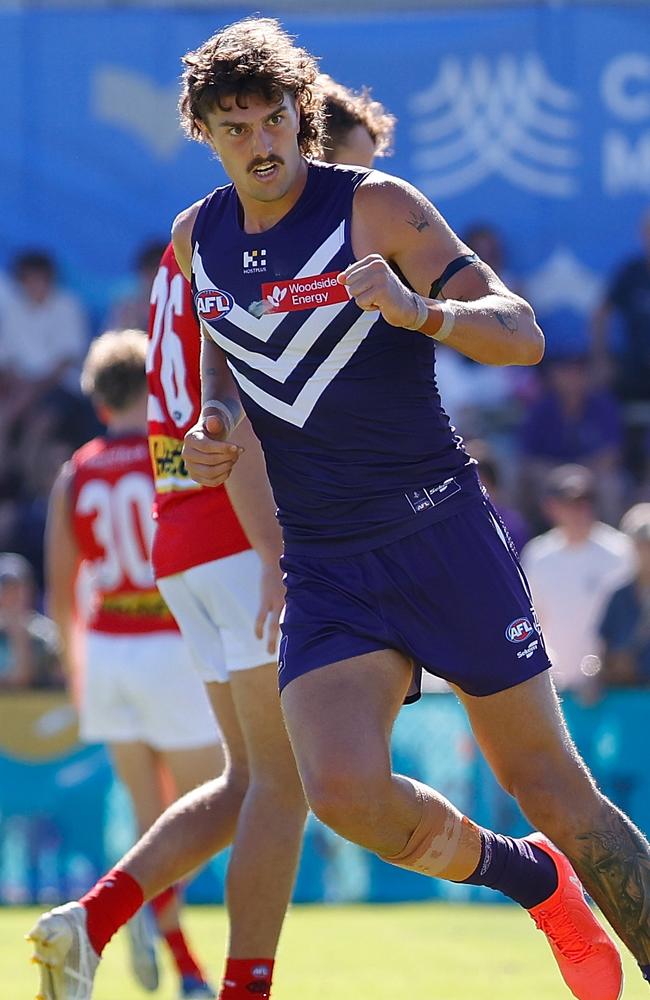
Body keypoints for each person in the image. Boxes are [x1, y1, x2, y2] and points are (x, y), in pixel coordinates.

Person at [173, 20, 648, 998]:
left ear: (303, 113)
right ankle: (529, 881)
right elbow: (224, 338)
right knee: (341, 793)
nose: (262, 143)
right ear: (206, 134)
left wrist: (421, 312)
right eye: (236, 127)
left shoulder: (376, 206)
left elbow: (521, 336)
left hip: (439, 536)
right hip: (328, 565)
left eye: (276, 118)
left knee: (551, 789)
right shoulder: (196, 239)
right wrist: (217, 419)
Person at [27, 71, 395, 1000]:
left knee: (247, 782)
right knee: (284, 786)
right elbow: (244, 416)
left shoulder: (192, 243)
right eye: (350, 173)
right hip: (241, 531)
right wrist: (275, 550)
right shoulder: (257, 239)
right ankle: (241, 990)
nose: (360, 205)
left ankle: (90, 919)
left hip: (184, 534)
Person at [42, 329, 222, 998]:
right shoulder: (168, 453)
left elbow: (62, 589)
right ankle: (173, 939)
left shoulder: (77, 469)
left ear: (96, 399)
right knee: (223, 808)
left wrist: (75, 667)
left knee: (154, 823)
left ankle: (184, 962)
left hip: (108, 647)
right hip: (172, 642)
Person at [521, 465, 635, 695]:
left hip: (610, 689)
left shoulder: (620, 551)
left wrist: (602, 671)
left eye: (585, 501)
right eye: (569, 503)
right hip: (556, 686)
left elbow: (626, 622)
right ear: (551, 507)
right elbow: (533, 621)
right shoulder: (538, 555)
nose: (579, 510)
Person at [599, 503, 650, 688]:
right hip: (625, 696)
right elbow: (603, 649)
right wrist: (603, 672)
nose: (646, 551)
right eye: (641, 543)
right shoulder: (619, 595)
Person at [0, 552, 62, 690]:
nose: (13, 596)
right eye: (7, 589)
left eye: (18, 588)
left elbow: (61, 677)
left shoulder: (47, 635)